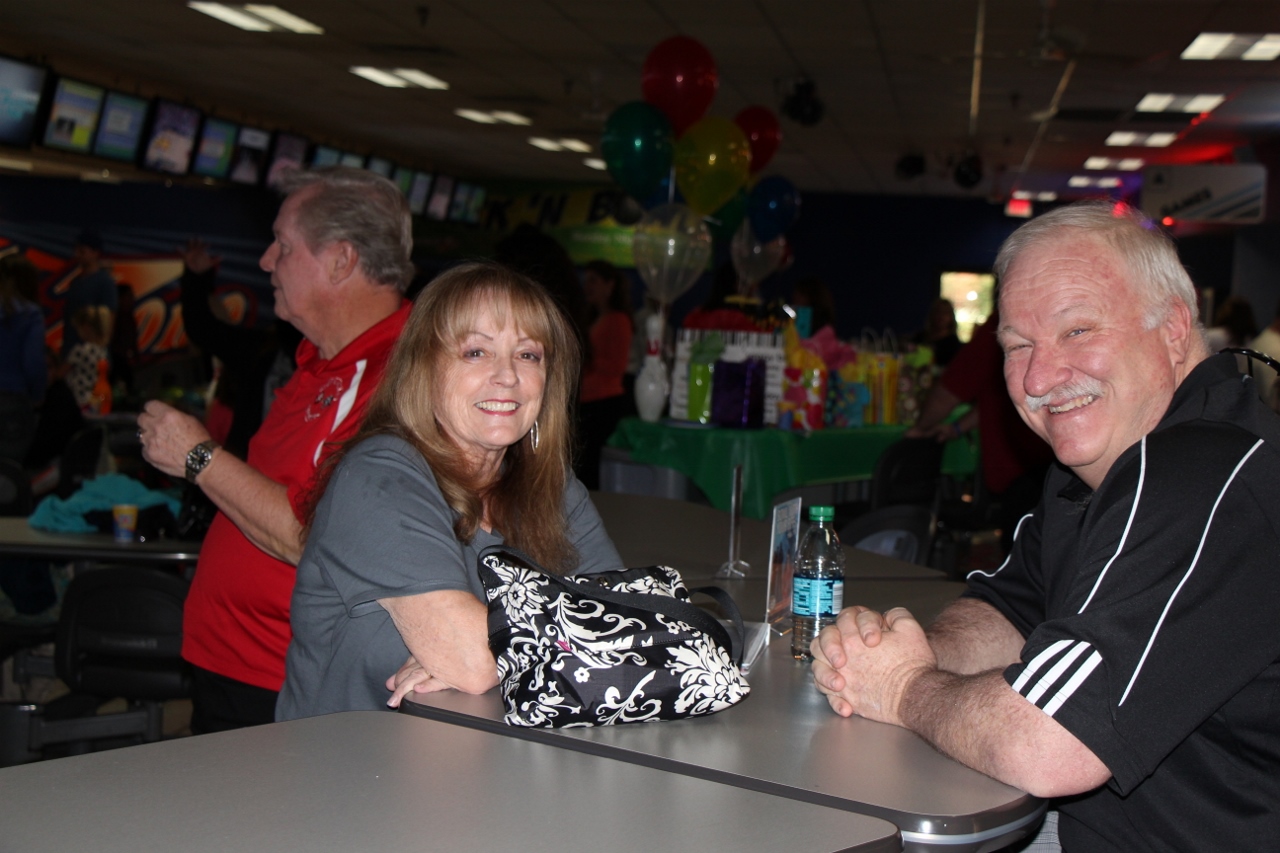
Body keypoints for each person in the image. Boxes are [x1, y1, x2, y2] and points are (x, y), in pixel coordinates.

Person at [812, 201, 1280, 851]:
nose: (1038, 377)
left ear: (1174, 330)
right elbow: (1012, 606)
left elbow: (1050, 741)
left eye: (1077, 331)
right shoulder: (1100, 465)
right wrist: (901, 647)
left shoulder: (1209, 476)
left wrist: (904, 686)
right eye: (1018, 346)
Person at [276, 262, 624, 719]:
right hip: (350, 777)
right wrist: (502, 651)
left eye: (528, 355)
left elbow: (629, 626)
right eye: (476, 352)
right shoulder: (379, 478)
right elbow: (473, 662)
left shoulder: (553, 489)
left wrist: (498, 650)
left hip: (498, 767)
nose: (507, 376)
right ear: (424, 366)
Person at [137, 166, 413, 733]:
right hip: (239, 671)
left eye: (283, 245)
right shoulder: (319, 365)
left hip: (284, 688)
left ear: (340, 260)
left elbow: (315, 539)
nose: (265, 261)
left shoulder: (394, 381)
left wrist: (198, 457)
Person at [906, 310, 1055, 555]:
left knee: (1026, 567)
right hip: (1043, 467)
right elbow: (996, 395)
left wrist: (919, 428)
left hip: (1027, 472)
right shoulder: (1038, 319)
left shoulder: (1005, 323)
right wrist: (956, 427)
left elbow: (949, 392)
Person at [576, 260, 633, 490]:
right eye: (586, 281)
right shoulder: (593, 318)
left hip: (604, 403)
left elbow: (616, 365)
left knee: (591, 467)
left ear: (609, 286)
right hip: (589, 401)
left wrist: (582, 361)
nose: (588, 286)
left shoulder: (618, 320)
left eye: (594, 281)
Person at [0, 254, 45, 461]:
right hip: (13, 401)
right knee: (9, 476)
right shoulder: (30, 315)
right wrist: (37, 395)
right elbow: (32, 362)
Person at [60, 229, 117, 359]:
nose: (77, 254)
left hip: (91, 356)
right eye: (76, 250)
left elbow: (109, 319)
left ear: (95, 253)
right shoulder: (76, 282)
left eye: (82, 251)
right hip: (71, 350)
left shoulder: (104, 282)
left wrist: (99, 351)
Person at [64, 306, 112, 413]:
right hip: (97, 401)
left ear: (86, 327)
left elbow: (60, 373)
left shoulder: (80, 351)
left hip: (78, 401)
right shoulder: (103, 351)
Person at [914, 296, 962, 366]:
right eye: (938, 311)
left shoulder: (953, 343)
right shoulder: (920, 337)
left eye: (945, 312)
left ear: (951, 317)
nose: (941, 316)